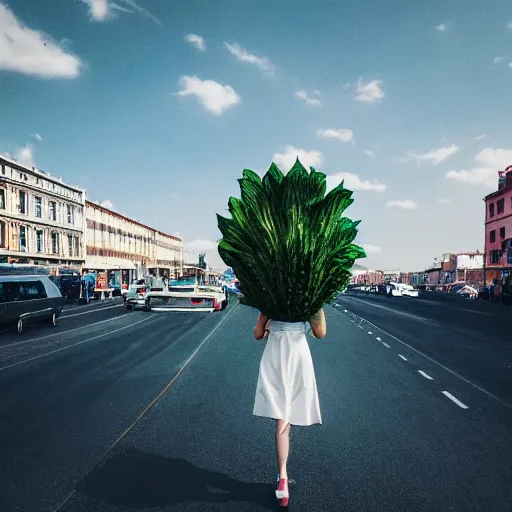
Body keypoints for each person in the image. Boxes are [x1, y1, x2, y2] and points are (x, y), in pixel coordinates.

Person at [252, 309, 326, 507]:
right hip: (298, 352)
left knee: (281, 415)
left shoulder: (268, 296)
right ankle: (282, 478)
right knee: (288, 414)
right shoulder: (309, 297)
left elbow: (258, 333)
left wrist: (269, 327)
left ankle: (282, 477)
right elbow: (320, 332)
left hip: (275, 352)